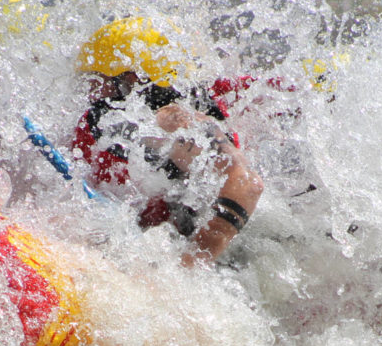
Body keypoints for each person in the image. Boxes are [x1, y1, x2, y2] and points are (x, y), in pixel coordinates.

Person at [73, 17, 265, 266]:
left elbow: (247, 183)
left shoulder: (174, 120)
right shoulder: (129, 121)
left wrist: (186, 267)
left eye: (97, 81)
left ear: (131, 81)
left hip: (225, 261)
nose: (90, 93)